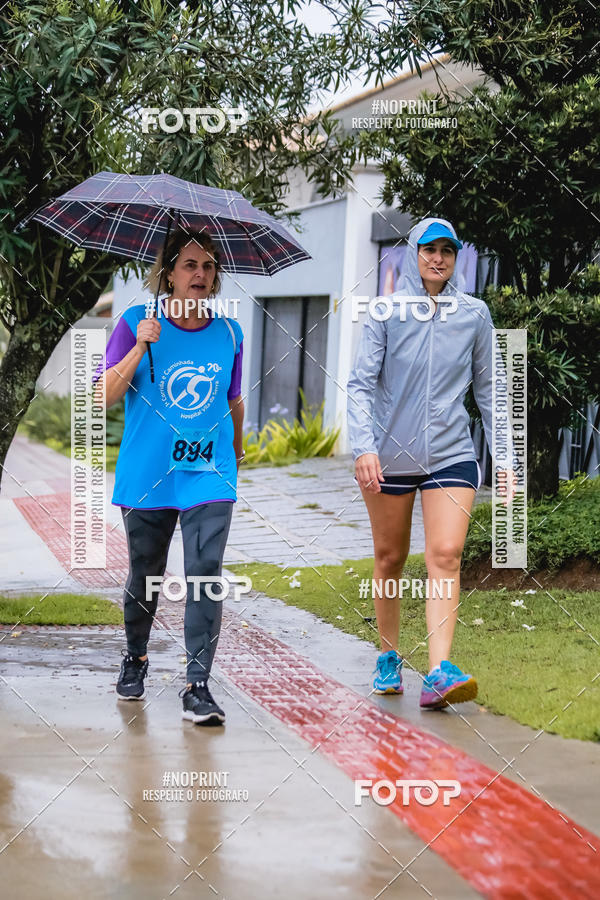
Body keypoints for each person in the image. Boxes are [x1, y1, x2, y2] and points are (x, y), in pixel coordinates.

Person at [347, 217, 514, 710]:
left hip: (451, 453)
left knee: (445, 554)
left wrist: (504, 458)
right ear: (412, 254)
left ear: (457, 256)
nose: (438, 258)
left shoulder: (474, 314)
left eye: (447, 249)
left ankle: (439, 672)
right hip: (389, 456)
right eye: (428, 249)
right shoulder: (385, 311)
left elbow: (490, 390)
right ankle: (389, 656)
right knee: (390, 559)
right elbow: (359, 385)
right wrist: (363, 447)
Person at [94, 229, 244, 725]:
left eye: (207, 266)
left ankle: (197, 686)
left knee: (205, 573)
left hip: (207, 473)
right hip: (149, 474)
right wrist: (139, 348)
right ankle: (135, 656)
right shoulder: (136, 321)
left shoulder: (229, 334)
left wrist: (237, 452)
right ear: (168, 274)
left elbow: (232, 400)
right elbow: (102, 396)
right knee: (145, 574)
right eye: (188, 265)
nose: (200, 275)